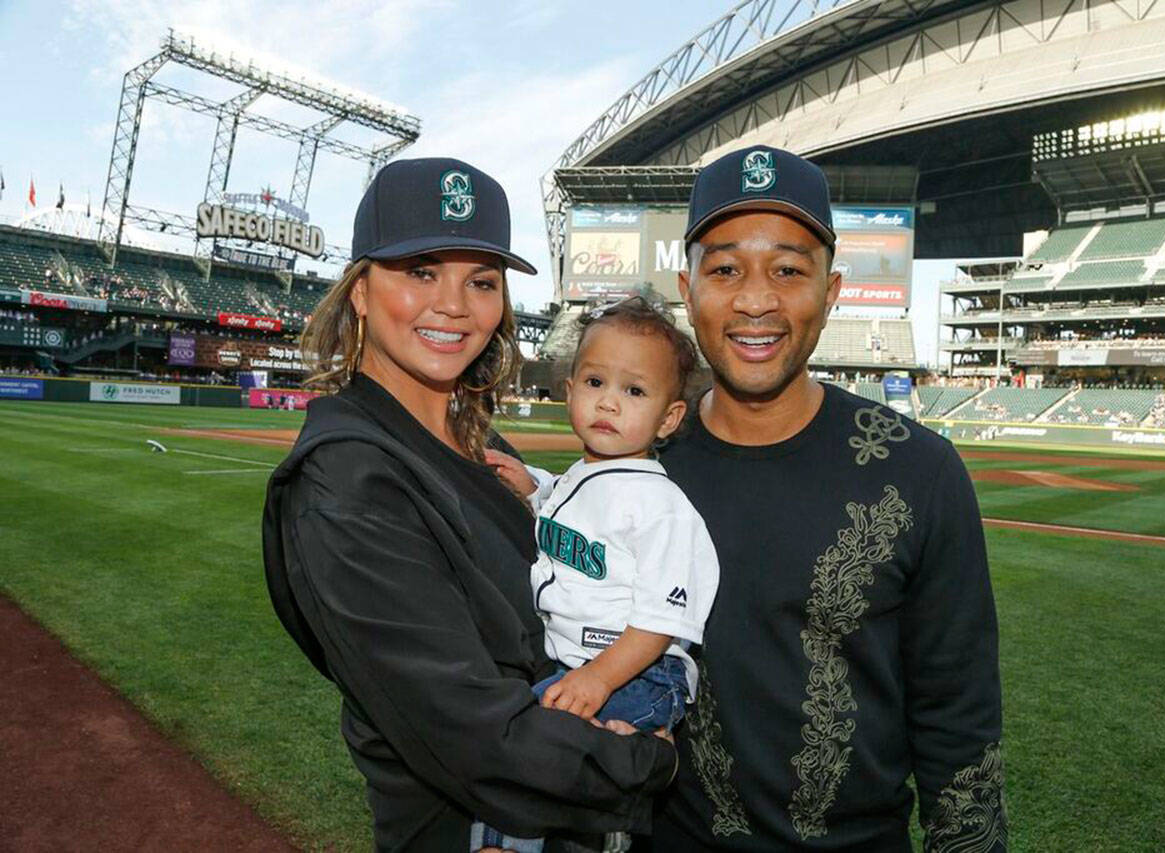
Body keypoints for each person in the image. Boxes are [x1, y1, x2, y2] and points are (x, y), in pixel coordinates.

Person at [262, 158, 677, 852]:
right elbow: (476, 735)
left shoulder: (480, 440)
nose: (454, 304)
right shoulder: (345, 478)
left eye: (480, 281)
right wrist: (652, 759)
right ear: (360, 290)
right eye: (421, 271)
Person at [644, 146, 1006, 850]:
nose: (756, 300)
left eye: (788, 269)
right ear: (687, 290)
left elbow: (959, 726)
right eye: (724, 269)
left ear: (832, 288)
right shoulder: (640, 470)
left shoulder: (920, 473)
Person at [478, 298, 720, 853]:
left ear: (667, 418)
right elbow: (575, 511)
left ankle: (591, 815)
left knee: (525, 742)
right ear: (569, 392)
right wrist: (534, 486)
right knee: (524, 743)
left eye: (634, 391)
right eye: (594, 382)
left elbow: (662, 621)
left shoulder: (661, 506)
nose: (608, 401)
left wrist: (600, 680)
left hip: (639, 672)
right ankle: (594, 815)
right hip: (585, 662)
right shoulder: (587, 474)